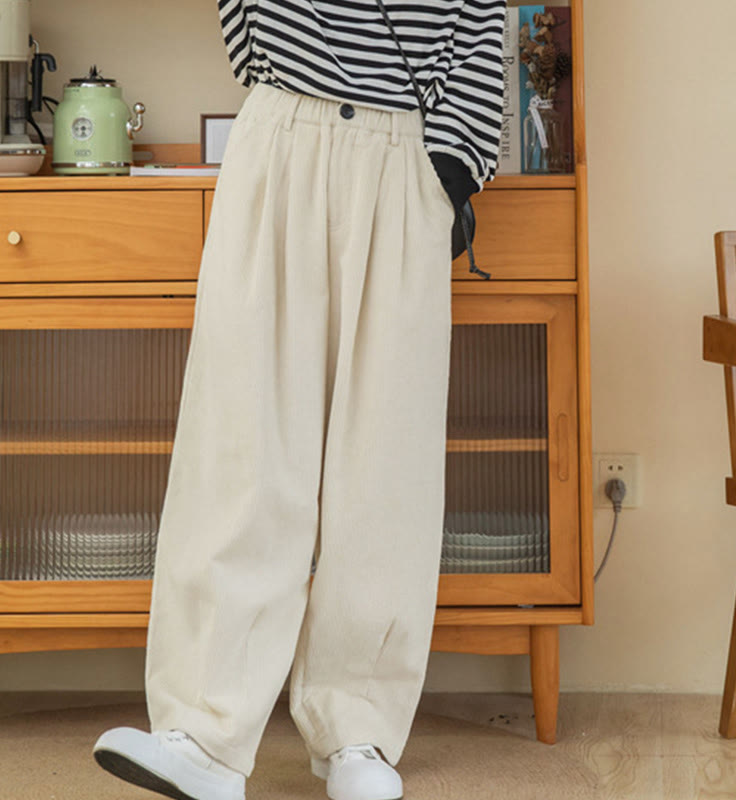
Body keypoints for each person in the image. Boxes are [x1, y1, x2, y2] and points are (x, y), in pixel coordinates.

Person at [92, 2, 505, 799]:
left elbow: (482, 33)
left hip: (403, 149)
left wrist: (445, 171)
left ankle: (359, 733)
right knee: (242, 437)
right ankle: (206, 734)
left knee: (384, 454)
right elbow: (245, 30)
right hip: (279, 133)